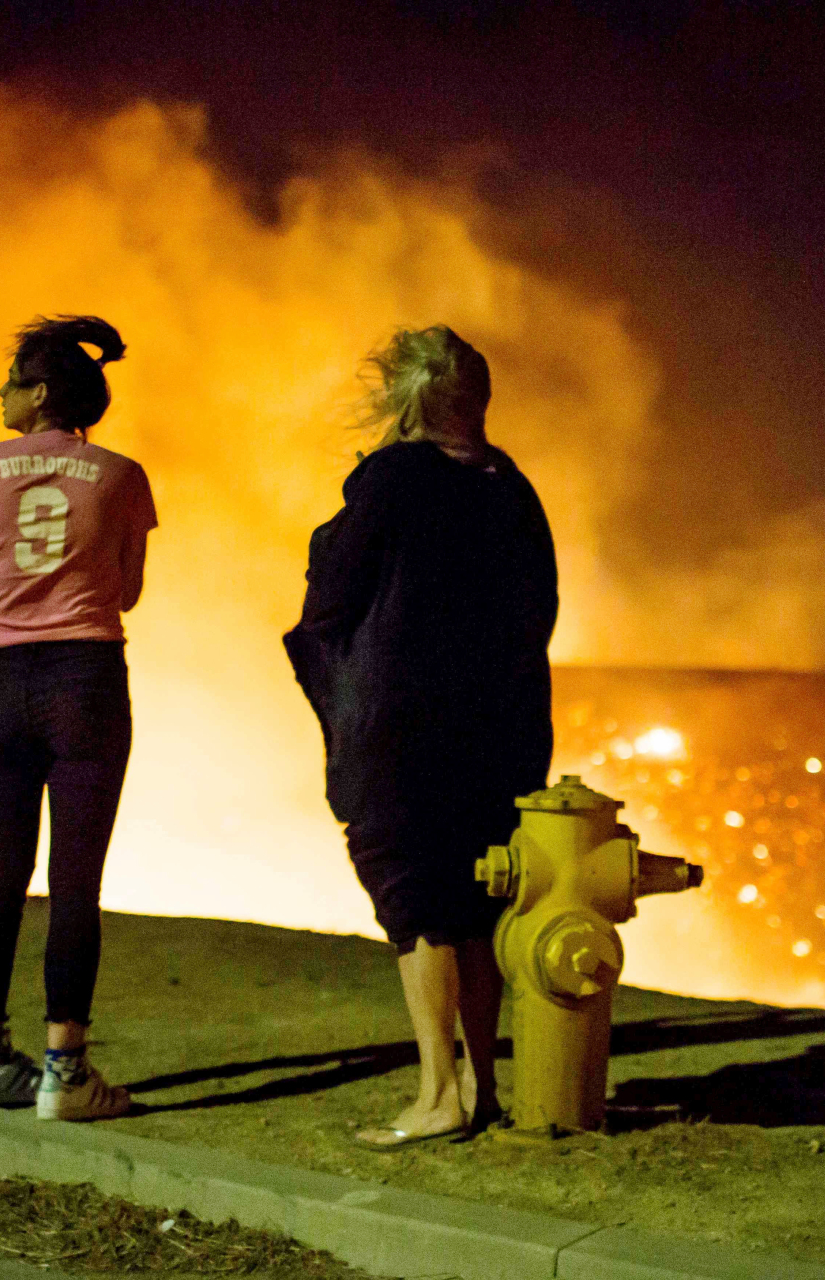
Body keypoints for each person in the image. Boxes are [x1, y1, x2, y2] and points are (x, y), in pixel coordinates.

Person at [285, 325, 557, 1148]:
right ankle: (479, 1085)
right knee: (475, 903)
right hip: (502, 728)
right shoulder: (513, 488)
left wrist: (339, 695)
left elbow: (329, 599)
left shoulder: (393, 479)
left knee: (420, 909)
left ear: (404, 400)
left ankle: (439, 1094)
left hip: (400, 735)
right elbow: (539, 609)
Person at [0, 315, 157, 1122]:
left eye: (9, 383)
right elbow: (128, 588)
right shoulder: (121, 473)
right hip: (85, 678)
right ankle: (66, 1074)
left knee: (0, 874)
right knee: (75, 882)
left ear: (40, 392)